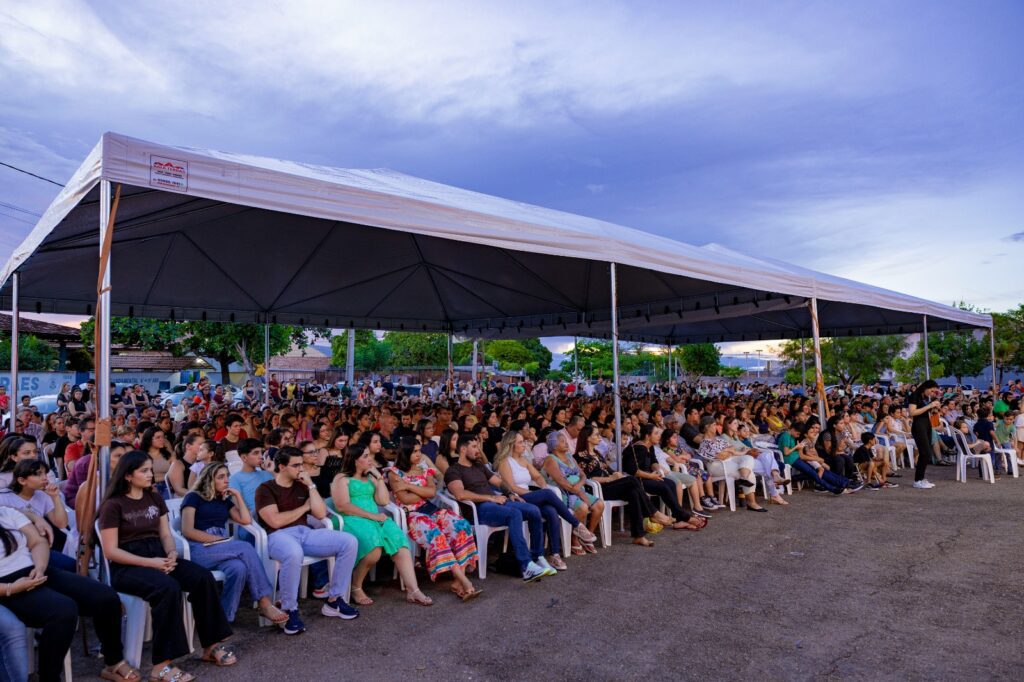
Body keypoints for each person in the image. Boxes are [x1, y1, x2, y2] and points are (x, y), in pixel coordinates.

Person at [98, 451, 236, 681]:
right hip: (128, 565)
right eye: (144, 470)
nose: (150, 474)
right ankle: (161, 666)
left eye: (150, 469)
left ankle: (211, 646)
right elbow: (111, 551)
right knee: (167, 588)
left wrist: (171, 553)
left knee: (202, 578)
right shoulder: (113, 505)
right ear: (128, 475)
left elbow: (165, 534)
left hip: (159, 557)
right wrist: (149, 562)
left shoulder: (154, 498)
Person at [0, 504, 140, 682]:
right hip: (7, 586)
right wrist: (11, 588)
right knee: (63, 611)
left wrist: (40, 568)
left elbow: (37, 542)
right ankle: (49, 678)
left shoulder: (5, 513)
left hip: (36, 569)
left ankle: (113, 661)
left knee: (106, 597)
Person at [254, 447, 360, 635]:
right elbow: (275, 521)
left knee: (349, 541)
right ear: (282, 467)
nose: (301, 469)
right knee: (294, 553)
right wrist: (303, 508)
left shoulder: (302, 485)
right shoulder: (266, 488)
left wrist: (311, 485)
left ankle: (334, 600)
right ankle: (289, 608)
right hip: (277, 535)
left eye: (301, 464)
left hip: (304, 532)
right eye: (296, 465)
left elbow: (320, 514)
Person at [180, 464, 288, 625]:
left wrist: (237, 495)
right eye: (221, 477)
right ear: (209, 479)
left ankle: (224, 618)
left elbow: (245, 519)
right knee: (245, 547)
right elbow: (187, 530)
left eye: (227, 476)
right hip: (197, 548)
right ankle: (265, 603)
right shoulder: (193, 497)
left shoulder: (223, 500)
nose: (226, 480)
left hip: (221, 549)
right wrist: (216, 539)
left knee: (238, 568)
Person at [331, 444, 433, 606]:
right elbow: (342, 506)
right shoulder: (342, 478)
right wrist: (373, 516)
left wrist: (378, 478)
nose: (370, 459)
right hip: (351, 519)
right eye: (365, 456)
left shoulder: (370, 477)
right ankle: (356, 587)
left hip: (374, 518)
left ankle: (413, 590)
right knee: (374, 548)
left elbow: (383, 500)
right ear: (354, 460)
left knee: (400, 541)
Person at [443, 434, 550, 583]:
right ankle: (526, 566)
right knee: (514, 514)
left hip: (496, 502)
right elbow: (460, 494)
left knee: (533, 510)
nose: (478, 450)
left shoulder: (479, 466)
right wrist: (490, 498)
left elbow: (499, 482)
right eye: (474, 447)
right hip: (479, 509)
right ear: (463, 449)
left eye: (478, 446)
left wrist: (510, 493)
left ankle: (537, 557)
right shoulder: (453, 471)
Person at [389, 439, 481, 600]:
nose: (419, 454)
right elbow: (405, 499)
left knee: (462, 525)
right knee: (436, 535)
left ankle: (457, 581)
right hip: (412, 515)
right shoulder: (394, 473)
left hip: (430, 509)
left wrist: (409, 486)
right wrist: (423, 491)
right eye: (415, 451)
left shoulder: (425, 469)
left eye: (419, 450)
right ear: (405, 453)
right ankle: (463, 581)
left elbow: (432, 493)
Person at [495, 430, 594, 568]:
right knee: (547, 494)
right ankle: (577, 525)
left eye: (524, 442)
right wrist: (536, 493)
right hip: (516, 498)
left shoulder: (523, 461)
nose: (524, 445)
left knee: (551, 511)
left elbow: (538, 476)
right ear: (511, 445)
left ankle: (555, 555)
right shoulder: (505, 462)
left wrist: (542, 486)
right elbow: (511, 487)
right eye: (520, 442)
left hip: (529, 496)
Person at [574, 428, 672, 546]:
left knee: (633, 492)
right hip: (598, 489)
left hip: (610, 485)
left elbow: (608, 470)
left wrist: (615, 474)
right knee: (632, 480)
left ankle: (639, 536)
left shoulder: (597, 453)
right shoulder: (580, 456)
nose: (600, 437)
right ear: (588, 438)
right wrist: (610, 478)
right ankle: (653, 513)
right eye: (596, 435)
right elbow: (587, 478)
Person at [0, 459, 76, 572]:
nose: (45, 478)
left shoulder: (42, 495)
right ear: (22, 480)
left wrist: (55, 497)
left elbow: (61, 524)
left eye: (45, 473)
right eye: (38, 474)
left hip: (39, 547)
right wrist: (34, 517)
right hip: (14, 550)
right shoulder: (4, 497)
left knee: (71, 565)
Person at [625, 424, 706, 525]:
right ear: (647, 436)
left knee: (671, 483)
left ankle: (678, 517)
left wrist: (657, 469)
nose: (659, 436)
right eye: (656, 433)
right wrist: (651, 476)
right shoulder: (639, 448)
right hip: (637, 480)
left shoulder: (650, 447)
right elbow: (632, 470)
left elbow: (654, 462)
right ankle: (683, 517)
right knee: (664, 486)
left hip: (649, 476)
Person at [541, 431, 604, 554]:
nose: (566, 443)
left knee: (599, 505)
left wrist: (580, 486)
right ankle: (574, 541)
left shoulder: (569, 456)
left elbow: (583, 475)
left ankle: (586, 537)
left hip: (578, 490)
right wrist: (580, 493)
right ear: (554, 445)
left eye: (565, 440)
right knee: (583, 507)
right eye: (562, 441)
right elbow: (561, 482)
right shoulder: (550, 459)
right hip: (563, 494)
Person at [694, 417, 766, 513]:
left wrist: (727, 451)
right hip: (716, 466)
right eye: (714, 425)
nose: (716, 427)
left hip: (729, 462)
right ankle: (751, 502)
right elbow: (721, 456)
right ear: (707, 427)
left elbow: (732, 448)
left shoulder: (718, 439)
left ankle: (743, 479)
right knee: (750, 473)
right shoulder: (705, 442)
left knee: (748, 458)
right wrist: (728, 451)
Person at [908, 380, 942, 489]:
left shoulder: (924, 397)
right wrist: (929, 406)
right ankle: (917, 480)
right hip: (918, 426)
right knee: (925, 453)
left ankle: (921, 478)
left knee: (927, 453)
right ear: (925, 387)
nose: (932, 393)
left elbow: (925, 411)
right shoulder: (915, 395)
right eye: (932, 391)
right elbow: (912, 412)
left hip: (926, 424)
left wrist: (933, 408)